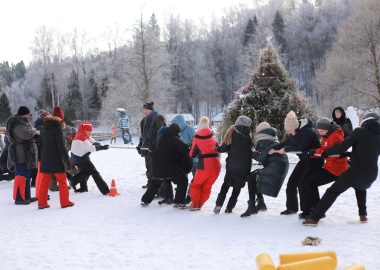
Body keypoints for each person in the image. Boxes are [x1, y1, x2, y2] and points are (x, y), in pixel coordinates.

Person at [303, 113, 380, 226]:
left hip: (354, 173)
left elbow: (342, 146)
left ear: (365, 121)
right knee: (360, 188)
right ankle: (363, 215)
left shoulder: (359, 131)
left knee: (332, 192)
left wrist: (326, 153)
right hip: (371, 175)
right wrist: (349, 154)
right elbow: (368, 154)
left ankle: (314, 218)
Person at [269, 111, 323, 215]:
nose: (289, 132)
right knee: (291, 183)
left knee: (302, 182)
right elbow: (284, 143)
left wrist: (285, 149)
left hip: (315, 160)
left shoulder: (307, 132)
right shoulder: (292, 134)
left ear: (296, 126)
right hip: (304, 160)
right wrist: (271, 149)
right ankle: (291, 208)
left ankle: (307, 210)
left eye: (290, 130)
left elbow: (301, 148)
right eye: (288, 130)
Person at [301, 118, 350, 219]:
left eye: (322, 131)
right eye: (318, 131)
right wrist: (312, 153)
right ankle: (316, 210)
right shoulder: (326, 136)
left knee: (310, 182)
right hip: (329, 167)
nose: (320, 133)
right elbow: (323, 151)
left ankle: (318, 211)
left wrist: (316, 153)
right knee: (308, 181)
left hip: (337, 169)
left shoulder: (335, 136)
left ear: (328, 128)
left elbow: (329, 153)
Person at [241, 122, 289, 217]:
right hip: (280, 166)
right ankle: (260, 204)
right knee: (255, 177)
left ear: (260, 131)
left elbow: (260, 158)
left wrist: (249, 152)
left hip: (275, 167)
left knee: (251, 178)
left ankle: (252, 207)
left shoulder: (263, 140)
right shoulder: (271, 139)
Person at [141, 123, 192, 209]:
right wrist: (191, 145)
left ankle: (145, 200)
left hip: (156, 166)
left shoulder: (160, 138)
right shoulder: (174, 138)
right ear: (176, 132)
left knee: (156, 181)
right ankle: (179, 202)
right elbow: (184, 149)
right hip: (169, 166)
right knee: (183, 179)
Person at [213, 116, 251, 214]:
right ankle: (229, 208)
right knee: (237, 188)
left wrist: (217, 148)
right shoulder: (248, 136)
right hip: (245, 167)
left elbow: (223, 148)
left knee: (225, 185)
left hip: (232, 166)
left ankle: (218, 205)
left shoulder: (232, 133)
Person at [37, 110, 74, 209]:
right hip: (56, 159)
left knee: (44, 182)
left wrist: (44, 156)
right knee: (62, 181)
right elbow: (61, 146)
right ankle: (65, 202)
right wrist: (67, 159)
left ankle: (42, 203)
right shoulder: (57, 130)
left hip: (45, 159)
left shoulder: (43, 129)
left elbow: (41, 145)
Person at [6, 106, 39, 205]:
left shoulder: (20, 122)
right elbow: (26, 135)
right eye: (29, 114)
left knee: (27, 176)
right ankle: (19, 198)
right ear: (26, 114)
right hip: (21, 153)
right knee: (21, 176)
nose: (29, 117)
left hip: (24, 153)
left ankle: (26, 196)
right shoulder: (18, 124)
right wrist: (35, 132)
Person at [69, 122, 110, 195]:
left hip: (79, 157)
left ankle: (81, 186)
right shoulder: (81, 138)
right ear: (84, 130)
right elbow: (90, 148)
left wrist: (98, 144)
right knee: (94, 173)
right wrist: (102, 147)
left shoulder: (84, 135)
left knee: (87, 172)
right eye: (88, 131)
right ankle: (106, 191)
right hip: (80, 159)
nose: (90, 132)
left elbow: (92, 141)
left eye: (90, 131)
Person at [189, 116, 221, 211]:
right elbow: (218, 150)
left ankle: (195, 204)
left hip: (204, 166)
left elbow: (191, 154)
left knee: (196, 185)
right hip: (216, 166)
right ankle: (201, 203)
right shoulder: (214, 137)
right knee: (207, 186)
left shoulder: (197, 138)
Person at [137, 101, 166, 189]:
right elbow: (142, 134)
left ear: (150, 109)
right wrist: (140, 144)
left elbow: (162, 132)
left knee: (155, 166)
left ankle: (157, 183)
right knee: (148, 165)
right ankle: (150, 182)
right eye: (144, 109)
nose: (144, 111)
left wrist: (156, 144)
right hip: (146, 146)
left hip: (155, 146)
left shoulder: (158, 118)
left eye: (146, 109)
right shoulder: (144, 120)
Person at [171, 114, 196, 203]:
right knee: (182, 178)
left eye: (177, 124)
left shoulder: (189, 129)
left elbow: (195, 142)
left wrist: (188, 145)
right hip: (182, 159)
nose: (177, 126)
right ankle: (180, 195)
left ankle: (190, 195)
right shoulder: (176, 132)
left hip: (193, 158)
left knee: (195, 177)